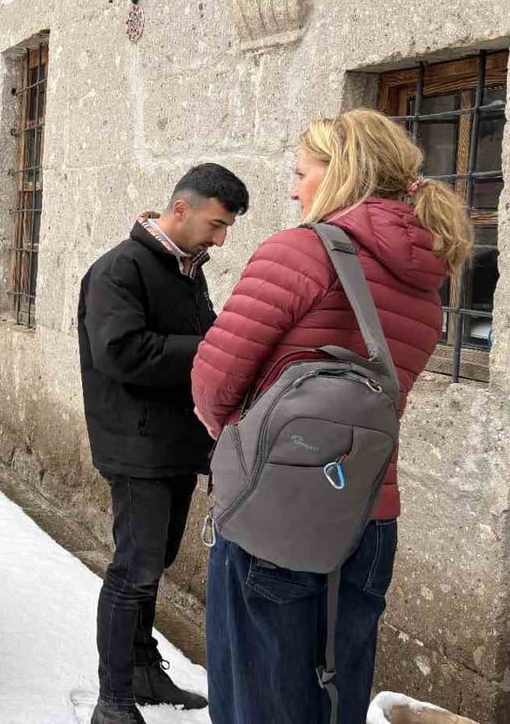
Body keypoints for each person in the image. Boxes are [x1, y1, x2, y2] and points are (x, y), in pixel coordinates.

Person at [191, 109, 472, 723]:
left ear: (340, 173)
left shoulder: (302, 250)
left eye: (301, 172)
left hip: (279, 513)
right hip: (369, 519)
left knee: (255, 701)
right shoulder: (426, 281)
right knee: (333, 697)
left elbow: (213, 381)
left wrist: (239, 443)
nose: (294, 190)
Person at [78, 163, 250, 724]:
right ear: (182, 208)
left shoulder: (187, 270)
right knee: (134, 567)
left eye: (227, 230)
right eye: (216, 224)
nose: (221, 239)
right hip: (137, 447)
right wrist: (212, 346)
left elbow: (195, 339)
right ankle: (113, 698)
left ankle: (146, 670)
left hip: (176, 444)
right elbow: (123, 353)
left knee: (157, 562)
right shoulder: (119, 269)